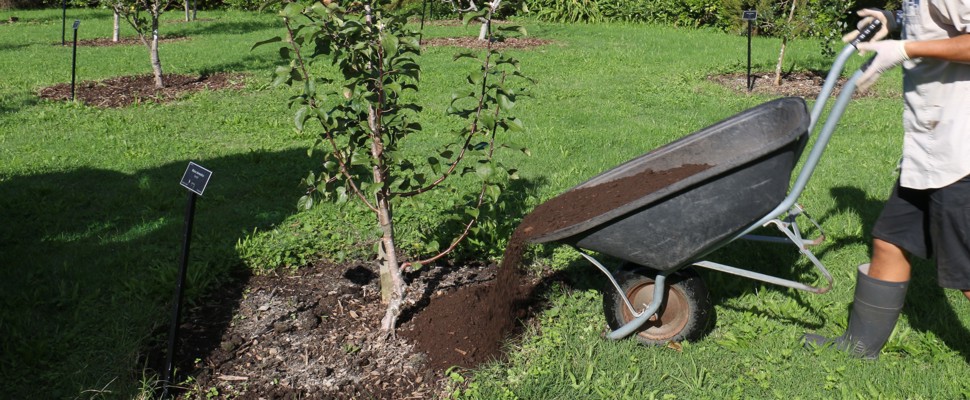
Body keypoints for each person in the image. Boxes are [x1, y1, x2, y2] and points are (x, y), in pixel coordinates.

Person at [803, 2, 970, 359]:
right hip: (932, 148)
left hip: (962, 151)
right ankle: (858, 350)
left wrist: (905, 49)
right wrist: (893, 21)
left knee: (966, 272)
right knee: (890, 240)